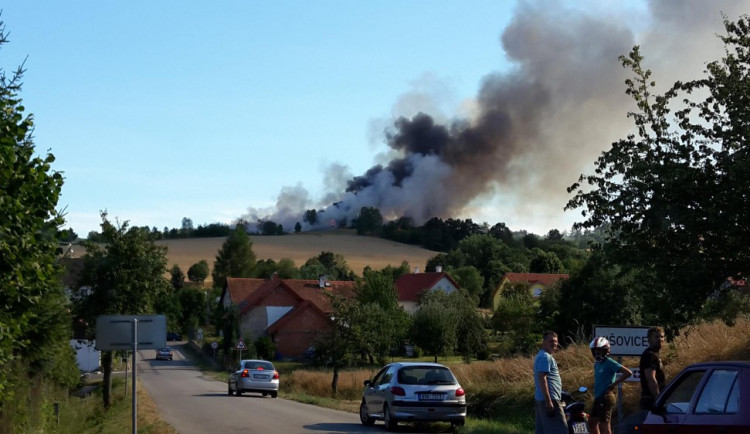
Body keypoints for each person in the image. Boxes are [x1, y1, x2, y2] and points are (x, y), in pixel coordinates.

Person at [588, 337, 632, 434]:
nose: (597, 353)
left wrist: (615, 383)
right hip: (598, 397)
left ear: (606, 351)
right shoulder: (597, 364)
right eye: (595, 350)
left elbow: (628, 372)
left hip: (605, 396)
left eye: (599, 350)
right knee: (592, 423)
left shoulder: (609, 362)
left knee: (605, 426)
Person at [533, 331, 568, 434]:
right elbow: (542, 378)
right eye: (551, 341)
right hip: (550, 399)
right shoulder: (545, 357)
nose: (554, 343)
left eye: (556, 341)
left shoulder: (541, 355)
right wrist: (549, 401)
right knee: (561, 430)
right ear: (544, 342)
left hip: (542, 398)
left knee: (543, 430)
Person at [639, 326, 666, 411]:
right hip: (650, 400)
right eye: (656, 337)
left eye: (662, 337)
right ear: (649, 339)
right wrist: (658, 398)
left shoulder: (655, 354)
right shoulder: (650, 355)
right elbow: (651, 379)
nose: (660, 339)